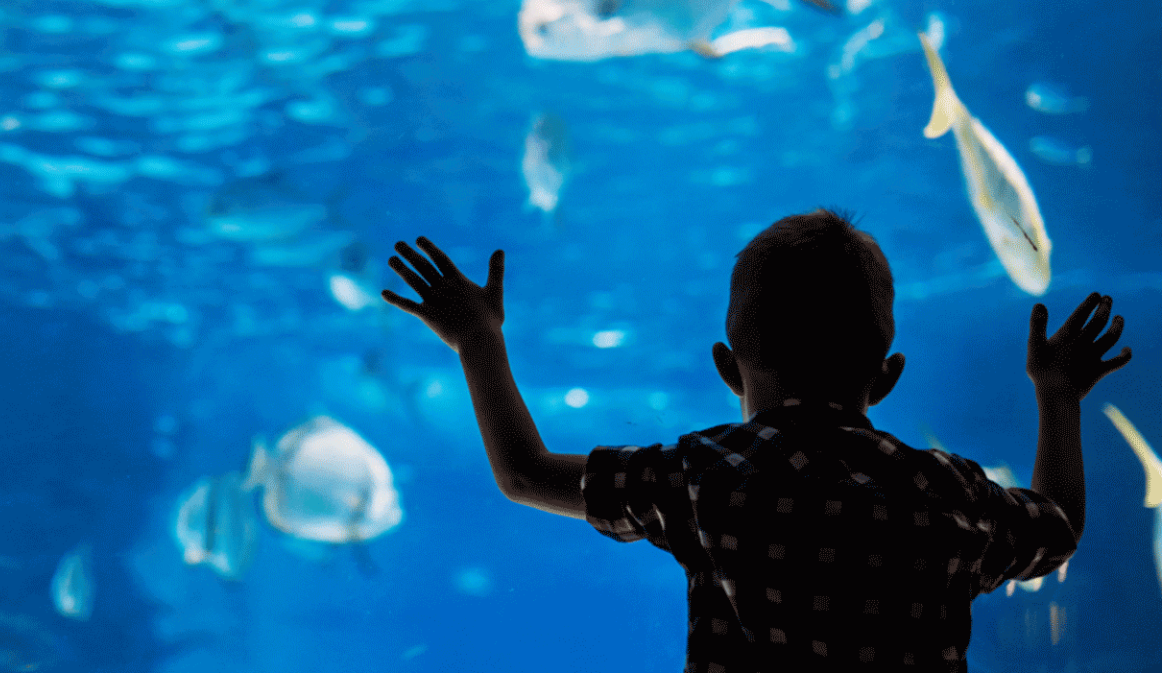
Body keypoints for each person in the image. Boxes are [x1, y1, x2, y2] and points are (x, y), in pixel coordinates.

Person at [382, 209, 1132, 672]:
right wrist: (1058, 395)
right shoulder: (950, 494)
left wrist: (478, 339)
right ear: (888, 376)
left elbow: (523, 472)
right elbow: (1057, 529)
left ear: (725, 367)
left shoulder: (705, 479)